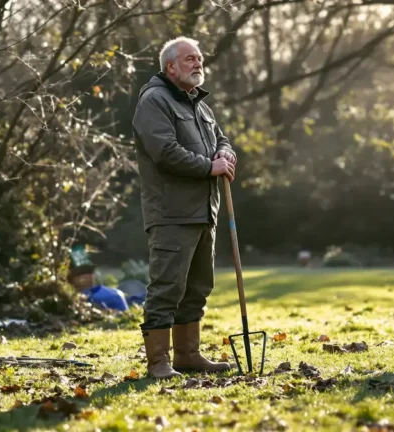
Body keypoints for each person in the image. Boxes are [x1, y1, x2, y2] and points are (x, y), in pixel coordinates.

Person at [132, 36, 237, 379]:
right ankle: (158, 363)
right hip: (171, 213)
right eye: (190, 59)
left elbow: (220, 139)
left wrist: (225, 154)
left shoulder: (198, 105)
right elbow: (164, 151)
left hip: (205, 211)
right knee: (167, 287)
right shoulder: (155, 100)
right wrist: (210, 167)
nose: (197, 63)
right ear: (170, 67)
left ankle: (189, 355)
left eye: (199, 58)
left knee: (197, 287)